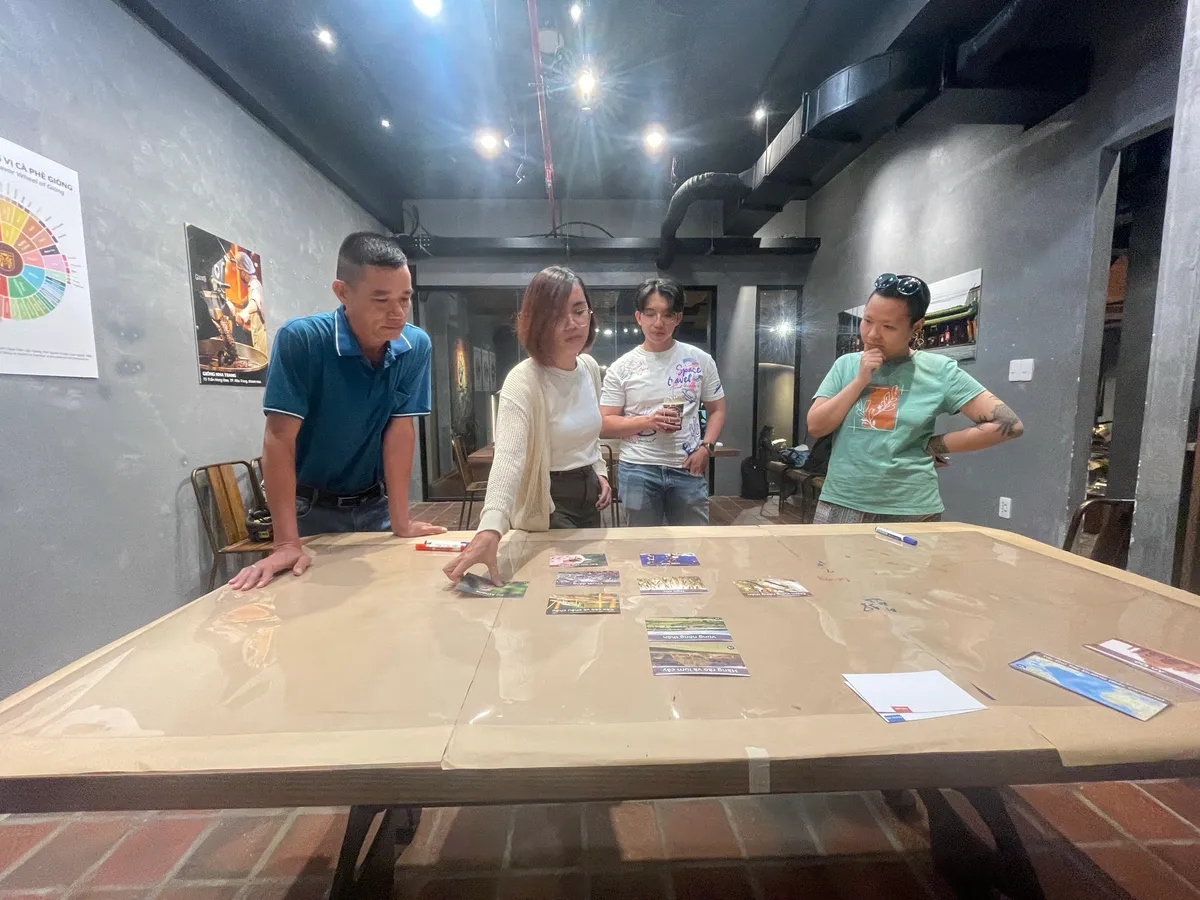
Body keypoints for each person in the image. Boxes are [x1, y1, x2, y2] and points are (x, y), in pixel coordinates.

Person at [230, 233, 445, 591]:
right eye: (381, 299)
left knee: (390, 601)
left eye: (405, 298)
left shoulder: (414, 345)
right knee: (308, 608)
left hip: (374, 503)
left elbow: (399, 432)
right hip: (309, 510)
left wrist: (401, 520)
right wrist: (286, 544)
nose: (397, 313)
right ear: (343, 292)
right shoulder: (304, 339)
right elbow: (279, 440)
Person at [807, 272, 1024, 525]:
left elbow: (1009, 424)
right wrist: (859, 381)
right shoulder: (845, 365)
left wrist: (934, 445)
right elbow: (816, 426)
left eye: (888, 326)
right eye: (867, 320)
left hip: (910, 508)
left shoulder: (939, 370)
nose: (873, 334)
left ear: (916, 327)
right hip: (843, 500)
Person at [443, 266, 612, 586]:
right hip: (548, 501)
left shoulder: (589, 368)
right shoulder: (523, 380)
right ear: (538, 322)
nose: (572, 323)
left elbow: (590, 433)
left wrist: (599, 470)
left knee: (588, 585)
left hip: (589, 495)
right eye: (557, 315)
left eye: (579, 311)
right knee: (554, 586)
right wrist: (490, 528)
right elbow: (508, 458)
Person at [600, 277, 726, 525]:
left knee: (694, 542)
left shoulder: (699, 360)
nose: (658, 323)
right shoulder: (621, 367)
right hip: (638, 468)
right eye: (650, 314)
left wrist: (706, 448)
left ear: (678, 318)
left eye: (667, 315)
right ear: (639, 317)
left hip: (688, 466)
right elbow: (604, 424)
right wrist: (649, 421)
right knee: (644, 544)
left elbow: (718, 410)